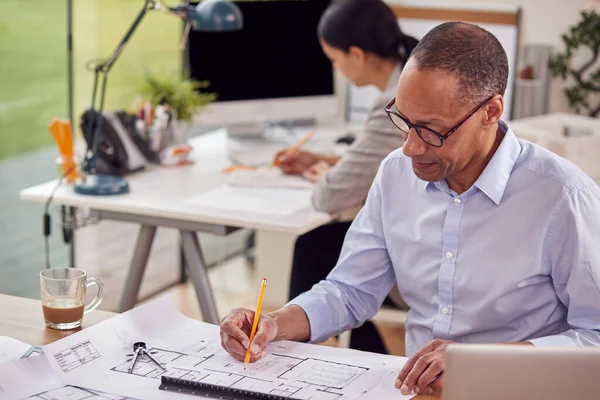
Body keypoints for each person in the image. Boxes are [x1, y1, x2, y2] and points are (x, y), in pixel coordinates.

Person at [221, 21, 600, 396]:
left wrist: (482, 361)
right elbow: (349, 290)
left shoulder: (564, 197)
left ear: (491, 112)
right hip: (415, 391)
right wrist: (274, 323)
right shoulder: (395, 174)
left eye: (432, 131)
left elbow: (595, 336)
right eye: (403, 120)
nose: (410, 148)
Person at [276, 0, 418, 355]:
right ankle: (359, 357)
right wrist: (325, 158)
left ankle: (304, 360)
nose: (336, 69)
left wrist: (327, 173)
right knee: (328, 248)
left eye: (334, 59)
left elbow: (329, 196)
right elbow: (384, 158)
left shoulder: (395, 103)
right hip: (419, 232)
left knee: (313, 246)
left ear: (356, 54)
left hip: (415, 252)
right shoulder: (410, 78)